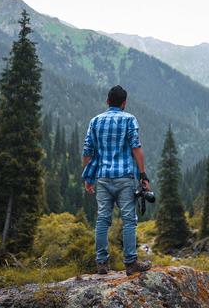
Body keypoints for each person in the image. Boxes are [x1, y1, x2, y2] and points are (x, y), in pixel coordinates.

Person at [82, 85, 152, 276]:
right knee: (129, 220)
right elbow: (136, 147)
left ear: (107, 101)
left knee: (103, 220)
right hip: (125, 178)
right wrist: (143, 175)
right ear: (124, 103)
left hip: (103, 179)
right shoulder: (129, 119)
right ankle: (130, 264)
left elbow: (87, 151)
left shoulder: (95, 121)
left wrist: (88, 178)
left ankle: (102, 264)